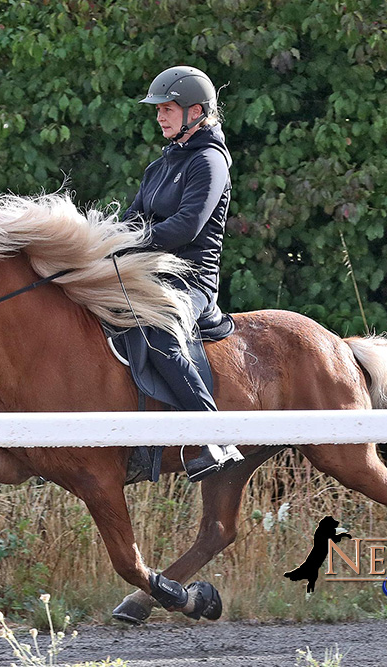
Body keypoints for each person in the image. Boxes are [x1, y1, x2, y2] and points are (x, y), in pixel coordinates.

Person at [121, 65, 243, 482]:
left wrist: (127, 244)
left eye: (168, 108)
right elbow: (132, 220)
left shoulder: (209, 162)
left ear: (197, 112)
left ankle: (212, 434)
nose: (160, 116)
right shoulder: (159, 167)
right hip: (150, 275)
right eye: (158, 109)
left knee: (158, 337)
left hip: (191, 281)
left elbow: (184, 228)